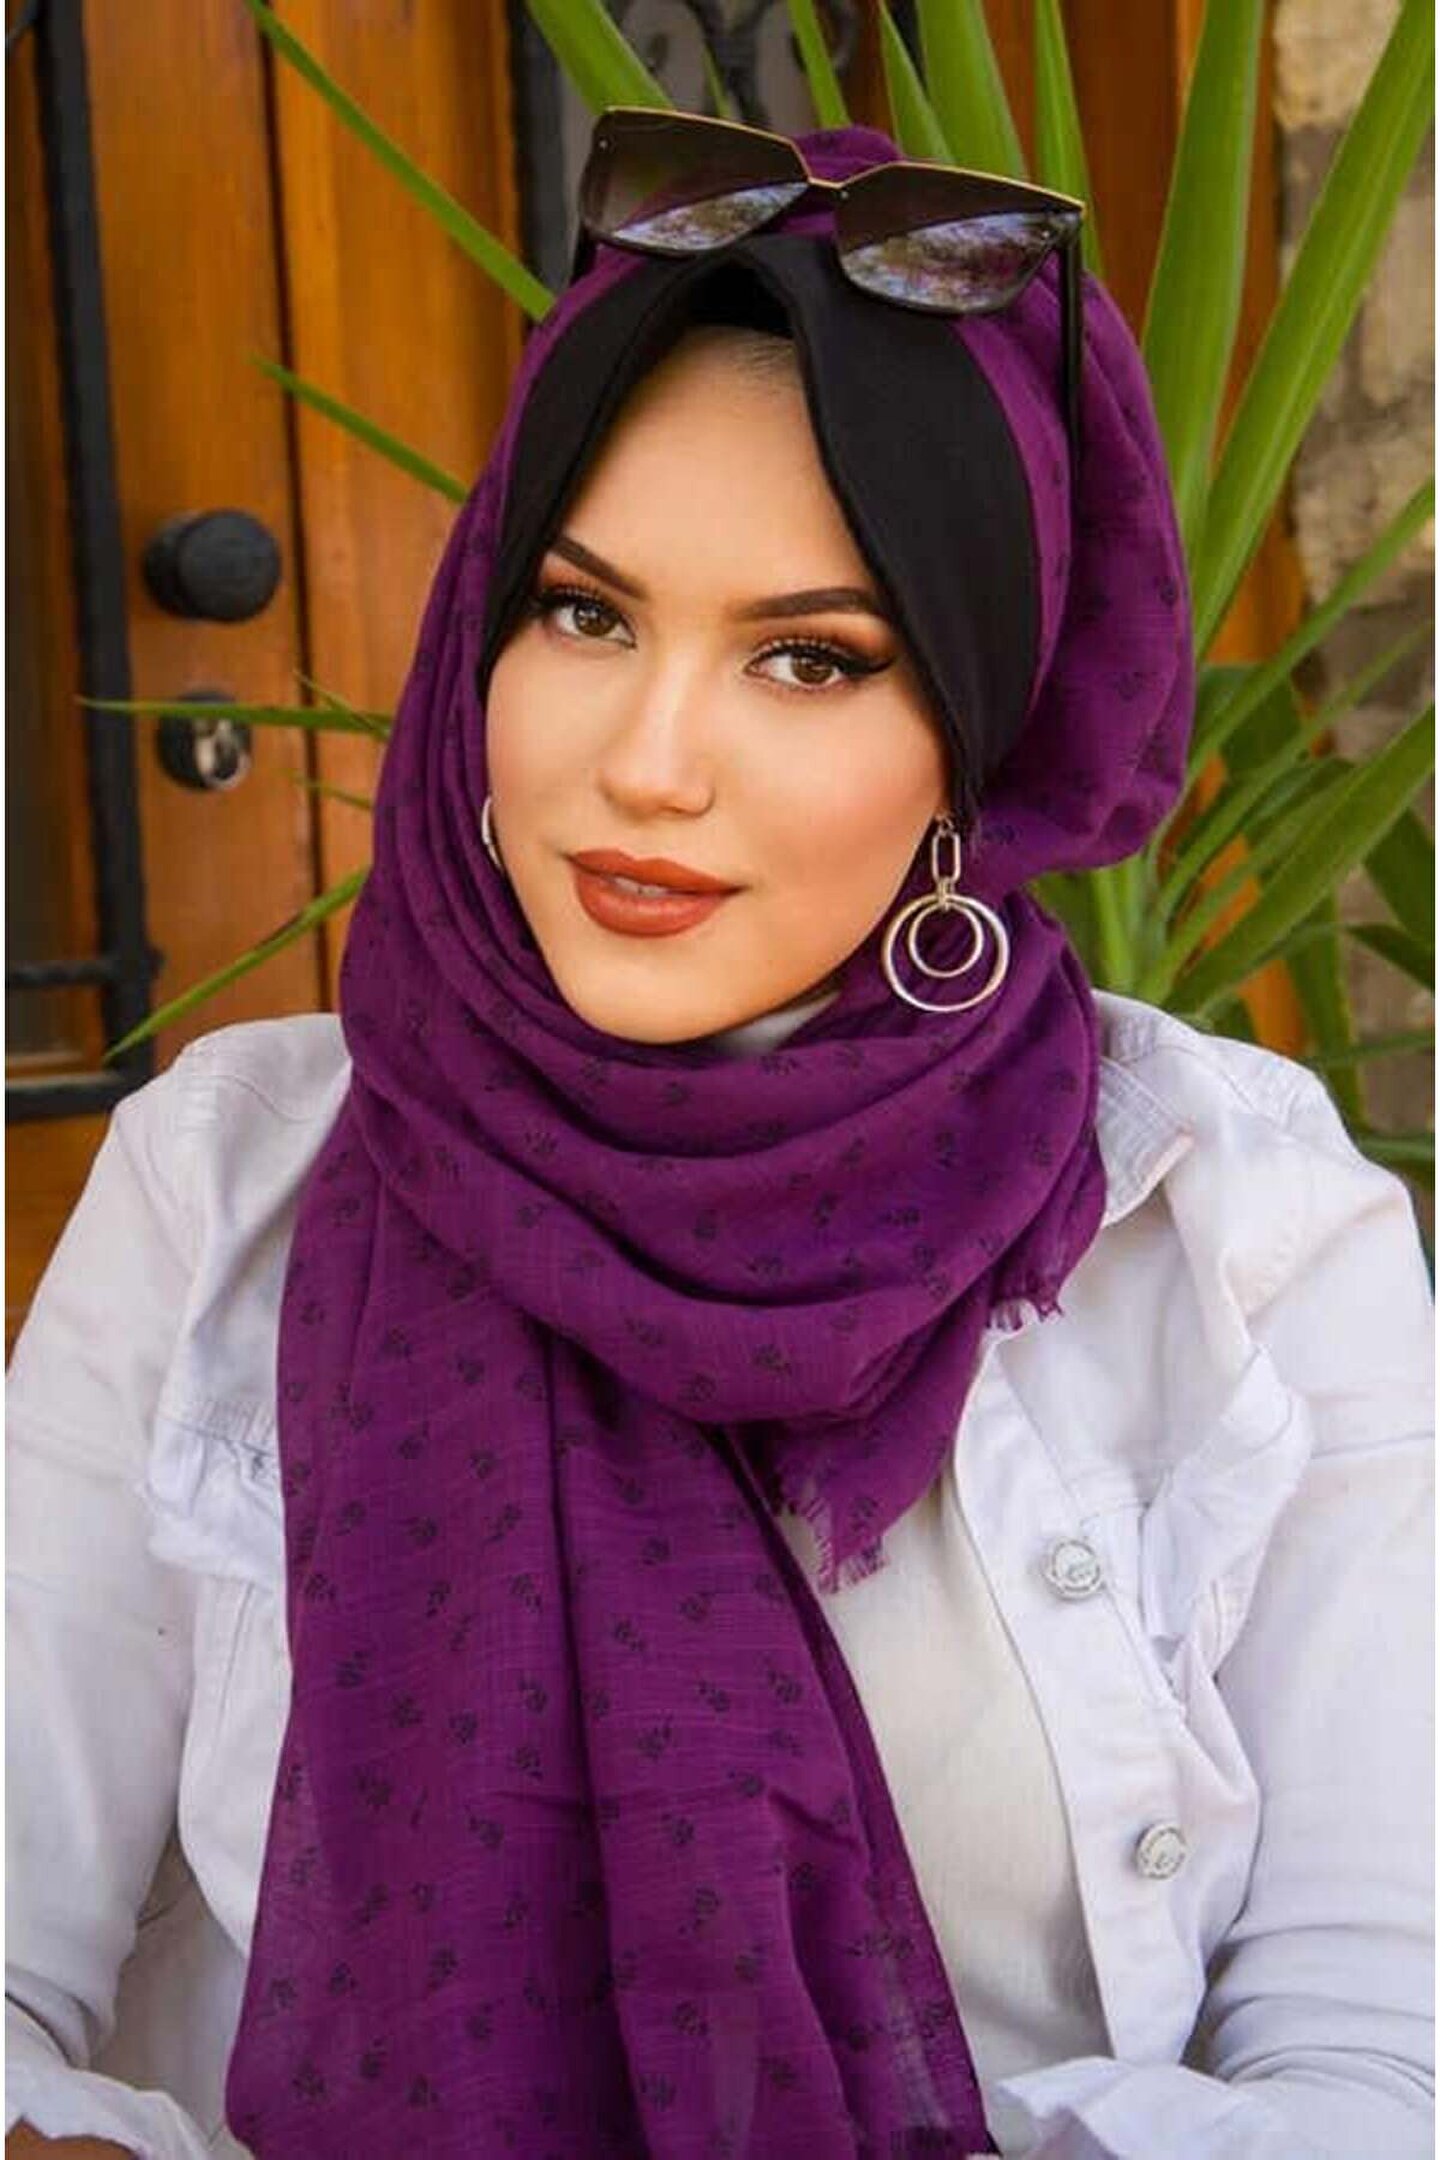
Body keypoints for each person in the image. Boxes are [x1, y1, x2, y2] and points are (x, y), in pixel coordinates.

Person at [6, 113, 1432, 2160]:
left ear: (974, 744)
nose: (648, 762)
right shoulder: (223, 1181)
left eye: (810, 658)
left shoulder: (1229, 1223)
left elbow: (1382, 2061)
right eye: (584, 617)